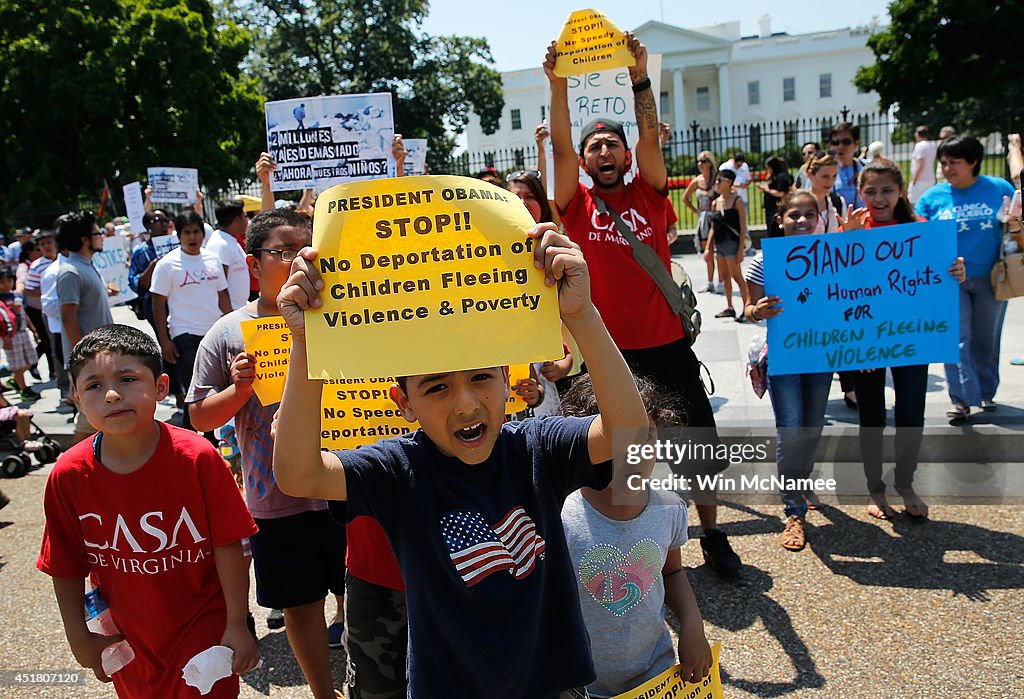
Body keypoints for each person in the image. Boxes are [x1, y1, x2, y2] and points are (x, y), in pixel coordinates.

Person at [272, 218, 649, 698]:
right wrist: (308, 343)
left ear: (507, 380)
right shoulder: (398, 470)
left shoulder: (537, 447)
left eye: (481, 378)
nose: (466, 404)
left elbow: (630, 435)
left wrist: (582, 315)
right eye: (437, 388)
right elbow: (299, 474)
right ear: (403, 403)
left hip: (552, 683)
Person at [545, 33, 741, 577]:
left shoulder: (649, 194)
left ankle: (712, 532)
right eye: (594, 147)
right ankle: (625, 537)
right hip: (610, 354)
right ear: (585, 161)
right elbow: (557, 148)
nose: (603, 151)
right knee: (610, 451)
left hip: (667, 345)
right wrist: (557, 85)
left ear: (626, 155)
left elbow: (652, 134)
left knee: (697, 448)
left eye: (612, 144)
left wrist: (639, 76)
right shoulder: (575, 205)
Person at [37, 325, 259, 697]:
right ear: (76, 398)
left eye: (127, 379)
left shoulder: (197, 458)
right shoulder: (68, 475)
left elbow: (228, 544)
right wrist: (79, 638)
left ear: (160, 387)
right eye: (92, 386)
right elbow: (65, 564)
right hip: (128, 635)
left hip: (202, 625)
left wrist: (237, 623)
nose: (110, 394)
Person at [188, 209, 346, 699]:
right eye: (283, 252)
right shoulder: (229, 332)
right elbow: (198, 418)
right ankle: (325, 691)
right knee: (300, 605)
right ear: (255, 266)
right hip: (276, 498)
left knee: (359, 591)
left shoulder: (343, 317)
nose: (300, 259)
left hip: (343, 483)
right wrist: (239, 391)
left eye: (308, 248)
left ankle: (367, 678)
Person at [559, 374, 711, 697]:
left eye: (646, 437)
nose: (636, 454)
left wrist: (692, 624)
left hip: (652, 675)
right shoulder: (562, 517)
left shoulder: (669, 508)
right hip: (583, 685)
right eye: (618, 441)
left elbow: (672, 572)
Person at [839, 159, 966, 520]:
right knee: (872, 416)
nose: (879, 198)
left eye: (887, 190)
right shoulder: (850, 229)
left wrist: (955, 271)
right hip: (865, 340)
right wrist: (848, 240)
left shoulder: (921, 229)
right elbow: (834, 289)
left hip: (912, 338)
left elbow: (938, 278)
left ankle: (905, 482)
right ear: (860, 193)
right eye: (870, 191)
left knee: (911, 413)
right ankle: (874, 488)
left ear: (901, 192)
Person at [743, 191, 830, 551]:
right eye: (794, 214)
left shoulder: (832, 257)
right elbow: (748, 308)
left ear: (819, 217)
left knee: (812, 427)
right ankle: (793, 509)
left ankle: (803, 481)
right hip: (785, 358)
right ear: (780, 219)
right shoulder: (763, 262)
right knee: (790, 432)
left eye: (810, 213)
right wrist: (757, 310)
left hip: (822, 356)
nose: (802, 220)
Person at [915, 135, 1019, 419]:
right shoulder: (933, 197)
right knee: (957, 340)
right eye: (943, 163)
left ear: (973, 162)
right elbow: (917, 235)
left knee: (986, 338)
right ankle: (960, 399)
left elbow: (1016, 223)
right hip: (950, 281)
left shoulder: (998, 188)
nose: (947, 168)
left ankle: (986, 393)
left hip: (991, 277)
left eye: (954, 163)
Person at [150, 211, 231, 434]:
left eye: (196, 231)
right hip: (186, 334)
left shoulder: (212, 259)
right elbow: (157, 304)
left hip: (214, 333)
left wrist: (234, 325)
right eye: (187, 232)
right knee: (195, 391)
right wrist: (164, 340)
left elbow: (223, 296)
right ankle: (191, 437)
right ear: (179, 235)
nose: (192, 236)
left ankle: (215, 438)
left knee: (217, 388)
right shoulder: (167, 264)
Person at [56, 211, 114, 443]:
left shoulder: (85, 266)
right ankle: (69, 469)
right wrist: (85, 357)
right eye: (96, 232)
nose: (101, 236)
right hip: (89, 360)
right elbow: (68, 319)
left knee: (97, 417)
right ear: (84, 239)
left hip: (99, 356)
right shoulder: (70, 272)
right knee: (90, 417)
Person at [704, 169, 749, 321]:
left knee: (737, 276)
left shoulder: (737, 201)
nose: (716, 183)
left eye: (719, 180)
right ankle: (730, 307)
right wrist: (708, 248)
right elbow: (713, 227)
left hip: (732, 244)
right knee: (724, 276)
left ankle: (746, 307)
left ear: (729, 182)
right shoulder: (716, 202)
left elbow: (743, 227)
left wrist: (741, 250)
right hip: (720, 243)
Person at [681, 151, 721, 292]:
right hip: (704, 219)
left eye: (703, 161)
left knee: (719, 251)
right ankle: (710, 281)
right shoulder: (697, 181)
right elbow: (685, 198)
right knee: (707, 251)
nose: (700, 164)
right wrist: (696, 211)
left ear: (710, 163)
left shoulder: (717, 178)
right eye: (698, 161)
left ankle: (721, 281)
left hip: (716, 217)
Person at [0, 267, 40, 399]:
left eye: (9, 280)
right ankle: (24, 389)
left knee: (31, 360)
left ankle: (15, 379)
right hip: (10, 336)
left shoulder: (16, 295)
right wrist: (4, 338)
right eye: (2, 282)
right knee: (17, 365)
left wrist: (33, 328)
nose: (6, 284)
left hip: (23, 331)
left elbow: (23, 313)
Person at [205, 199, 251, 311]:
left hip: (239, 309)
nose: (247, 220)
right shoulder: (220, 244)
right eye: (245, 216)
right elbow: (217, 285)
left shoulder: (230, 240)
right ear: (236, 219)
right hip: (229, 314)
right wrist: (228, 315)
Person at [23, 230, 57, 382]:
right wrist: (48, 289)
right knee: (47, 341)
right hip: (41, 309)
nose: (47, 246)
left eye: (49, 242)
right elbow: (29, 290)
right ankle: (52, 371)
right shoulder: (37, 266)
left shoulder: (63, 259)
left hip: (59, 309)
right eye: (43, 244)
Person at [828, 122, 864, 209]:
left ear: (856, 143)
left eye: (846, 142)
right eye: (835, 142)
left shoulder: (865, 169)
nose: (840, 147)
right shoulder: (821, 172)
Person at [759, 155, 794, 238]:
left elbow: (781, 193)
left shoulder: (781, 177)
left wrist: (767, 189)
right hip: (770, 207)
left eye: (768, 168)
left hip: (776, 207)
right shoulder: (774, 177)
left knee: (775, 230)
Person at [908, 125, 938, 204]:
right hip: (930, 178)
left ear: (918, 134)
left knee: (913, 202)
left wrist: (915, 179)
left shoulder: (920, 146)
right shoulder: (932, 145)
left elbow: (920, 164)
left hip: (920, 179)